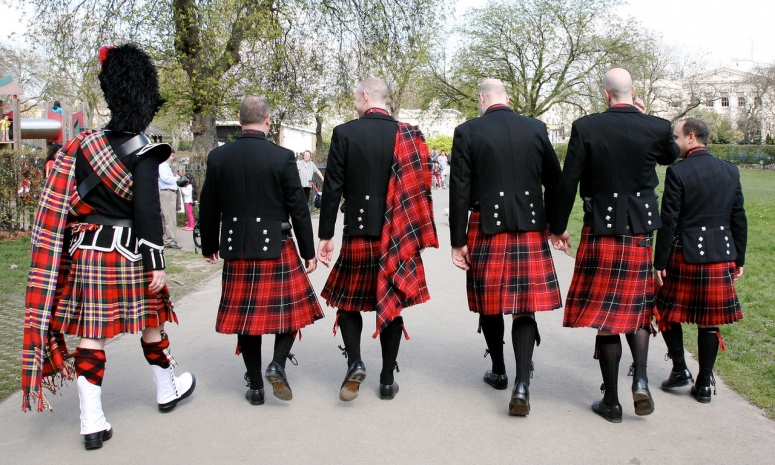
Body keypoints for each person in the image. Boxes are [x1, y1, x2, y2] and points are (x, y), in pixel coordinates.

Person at [21, 44, 195, 450]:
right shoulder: (145, 150)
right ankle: (166, 389)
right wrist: (157, 261)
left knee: (91, 335)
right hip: (132, 252)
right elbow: (148, 212)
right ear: (145, 97)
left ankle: (92, 421)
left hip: (88, 252)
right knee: (153, 323)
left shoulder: (83, 146)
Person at [549, 68, 679, 423]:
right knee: (637, 308)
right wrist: (644, 114)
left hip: (601, 227)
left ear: (605, 93)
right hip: (639, 230)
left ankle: (612, 402)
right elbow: (670, 155)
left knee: (606, 317)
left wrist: (557, 227)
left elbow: (569, 180)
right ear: (632, 91)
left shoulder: (587, 125)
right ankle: (640, 379)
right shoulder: (655, 125)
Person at [318, 76, 438, 401]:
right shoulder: (410, 135)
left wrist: (325, 235)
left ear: (365, 95)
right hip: (397, 235)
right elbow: (421, 189)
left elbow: (332, 188)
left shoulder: (345, 133)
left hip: (358, 233)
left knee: (347, 303)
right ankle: (386, 379)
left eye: (356, 96)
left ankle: (355, 362)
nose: (354, 102)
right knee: (392, 304)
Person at [199, 96, 324, 405]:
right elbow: (298, 208)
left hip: (236, 247)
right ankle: (277, 364)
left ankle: (256, 387)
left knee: (246, 320)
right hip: (276, 247)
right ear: (267, 120)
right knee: (291, 314)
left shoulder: (219, 156)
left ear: (240, 120)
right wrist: (308, 250)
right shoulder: (281, 156)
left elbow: (208, 205)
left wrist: (210, 245)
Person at [449, 79, 563, 416]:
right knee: (524, 306)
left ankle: (499, 370)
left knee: (491, 301)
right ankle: (522, 383)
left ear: (482, 98)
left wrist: (458, 242)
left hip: (487, 228)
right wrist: (557, 228)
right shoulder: (536, 127)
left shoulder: (468, 131)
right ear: (508, 99)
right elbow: (555, 182)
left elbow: (458, 189)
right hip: (529, 229)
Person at [654, 118, 747, 403]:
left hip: (685, 253)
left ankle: (680, 368)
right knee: (710, 319)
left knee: (665, 309)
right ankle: (704, 383)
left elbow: (669, 220)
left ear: (691, 137)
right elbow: (738, 218)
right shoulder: (730, 170)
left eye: (677, 137)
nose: (674, 142)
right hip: (721, 254)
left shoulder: (678, 171)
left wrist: (660, 262)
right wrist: (739, 257)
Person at [158, 152, 181, 249]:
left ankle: (167, 238)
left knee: (167, 217)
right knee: (169, 217)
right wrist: (175, 178)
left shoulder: (166, 166)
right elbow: (165, 178)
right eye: (171, 155)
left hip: (170, 192)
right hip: (167, 192)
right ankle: (169, 240)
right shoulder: (163, 166)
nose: (172, 157)